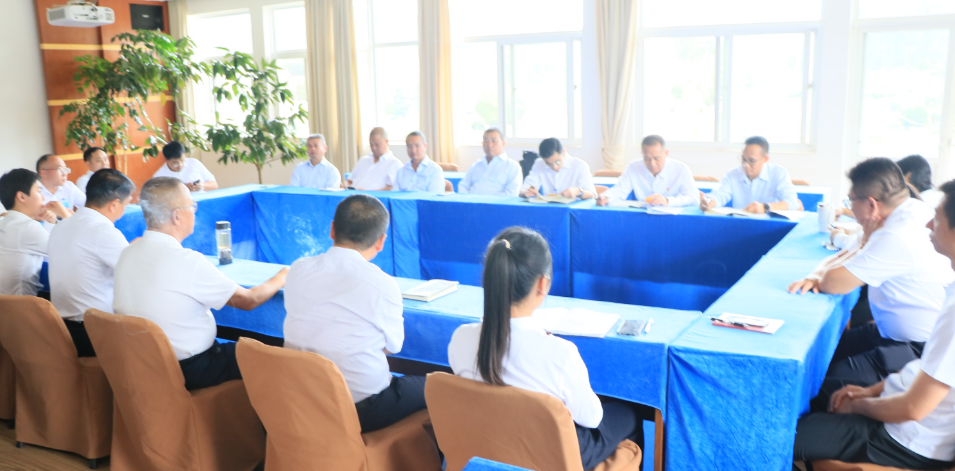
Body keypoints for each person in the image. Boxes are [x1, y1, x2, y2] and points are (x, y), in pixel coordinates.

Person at [448, 227, 642, 470]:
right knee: (629, 414)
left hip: (486, 445)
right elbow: (592, 418)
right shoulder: (560, 353)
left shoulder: (460, 337)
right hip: (549, 455)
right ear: (542, 284)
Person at [792, 180, 955, 470]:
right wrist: (870, 392)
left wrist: (858, 405)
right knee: (818, 397)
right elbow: (926, 369)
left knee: (780, 436)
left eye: (938, 219)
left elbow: (914, 407)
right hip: (900, 406)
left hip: (904, 437)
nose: (929, 224)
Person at [789, 158, 954, 390]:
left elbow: (833, 282)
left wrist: (826, 273)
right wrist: (816, 274)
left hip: (916, 349)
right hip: (889, 333)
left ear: (871, 204)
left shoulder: (897, 233)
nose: (849, 207)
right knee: (820, 352)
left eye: (850, 200)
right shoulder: (906, 210)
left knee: (823, 385)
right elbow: (843, 254)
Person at [113, 177, 287, 391]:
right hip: (188, 369)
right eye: (192, 206)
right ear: (177, 216)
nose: (195, 212)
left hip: (140, 365)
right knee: (270, 357)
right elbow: (248, 300)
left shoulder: (127, 254)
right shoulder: (186, 261)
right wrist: (283, 276)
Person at [284, 194, 423, 433]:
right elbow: (393, 347)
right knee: (438, 387)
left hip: (301, 397)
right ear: (381, 242)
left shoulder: (298, 269)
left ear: (332, 229)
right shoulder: (382, 284)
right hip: (362, 409)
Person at [48, 169, 135, 357]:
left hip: (62, 330)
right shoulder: (102, 231)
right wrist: (137, 251)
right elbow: (136, 273)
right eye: (126, 203)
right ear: (114, 204)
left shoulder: (61, 227)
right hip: (95, 334)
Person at [699, 136, 800, 213]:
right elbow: (720, 195)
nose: (746, 165)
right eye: (743, 159)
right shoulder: (733, 174)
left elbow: (792, 202)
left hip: (771, 225)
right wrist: (708, 201)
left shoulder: (778, 173)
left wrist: (765, 207)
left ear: (765, 159)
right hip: (740, 224)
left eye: (752, 160)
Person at [596, 135, 696, 207]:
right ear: (642, 154)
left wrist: (667, 201)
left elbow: (693, 198)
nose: (652, 163)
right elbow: (620, 190)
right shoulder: (634, 167)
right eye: (647, 158)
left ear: (666, 153)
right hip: (643, 216)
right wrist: (606, 197)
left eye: (656, 158)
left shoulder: (681, 169)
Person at [0, 169, 55, 296]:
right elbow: (69, 253)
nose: (43, 197)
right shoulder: (27, 227)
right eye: (39, 191)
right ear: (21, 197)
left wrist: (50, 222)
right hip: (21, 305)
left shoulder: (6, 222)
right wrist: (65, 215)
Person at [520, 137, 597, 200]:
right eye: (548, 164)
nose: (554, 167)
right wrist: (528, 192)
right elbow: (522, 190)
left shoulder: (579, 165)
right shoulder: (539, 164)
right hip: (549, 208)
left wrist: (578, 192)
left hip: (573, 209)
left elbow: (593, 195)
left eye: (557, 162)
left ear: (563, 151)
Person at [457, 128, 522, 196]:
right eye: (486, 141)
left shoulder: (512, 166)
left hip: (496, 202)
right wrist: (466, 199)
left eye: (494, 141)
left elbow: (512, 192)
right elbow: (463, 185)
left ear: (503, 143)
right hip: (471, 201)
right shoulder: (477, 164)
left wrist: (487, 201)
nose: (490, 145)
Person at [153, 141, 218, 192]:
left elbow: (214, 185)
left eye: (182, 161)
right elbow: (157, 195)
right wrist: (182, 189)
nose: (180, 166)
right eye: (175, 164)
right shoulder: (160, 176)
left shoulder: (194, 163)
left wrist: (202, 186)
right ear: (166, 160)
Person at [37, 154, 85, 218]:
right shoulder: (34, 192)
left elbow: (88, 206)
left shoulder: (69, 186)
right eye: (60, 169)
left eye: (65, 169)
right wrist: (60, 214)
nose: (65, 174)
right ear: (43, 173)